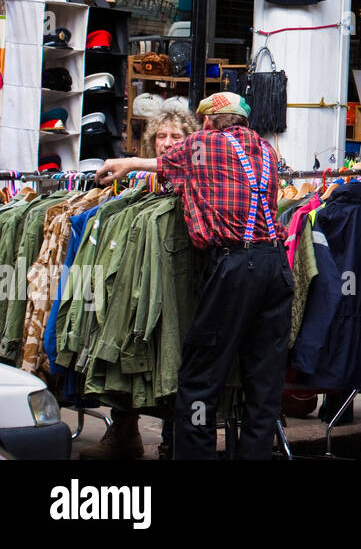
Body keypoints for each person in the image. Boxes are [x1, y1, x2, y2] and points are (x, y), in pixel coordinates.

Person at [95, 92, 290, 460]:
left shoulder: (202, 143)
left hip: (235, 268)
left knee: (201, 378)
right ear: (244, 121)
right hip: (275, 266)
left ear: (205, 122)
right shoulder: (266, 151)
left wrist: (125, 163)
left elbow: (163, 163)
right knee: (264, 381)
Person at [81, 108, 199, 461]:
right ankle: (124, 432)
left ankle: (172, 439)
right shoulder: (143, 184)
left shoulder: (194, 173)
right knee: (132, 345)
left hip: (182, 281)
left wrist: (131, 162)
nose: (166, 143)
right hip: (144, 277)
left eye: (175, 137)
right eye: (161, 137)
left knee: (174, 355)